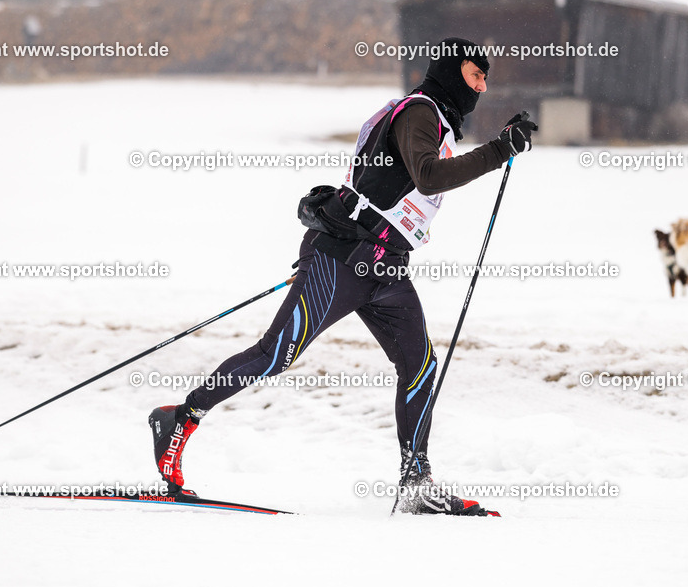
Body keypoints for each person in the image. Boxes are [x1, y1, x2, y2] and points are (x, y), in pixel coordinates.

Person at [149, 37, 537, 515]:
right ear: (452, 72)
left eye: (485, 79)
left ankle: (416, 482)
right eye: (476, 75)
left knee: (420, 367)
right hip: (342, 260)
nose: (481, 87)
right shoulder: (419, 112)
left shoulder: (434, 120)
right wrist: (499, 150)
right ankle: (179, 419)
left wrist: (501, 145)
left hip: (387, 268)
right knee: (274, 356)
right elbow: (429, 176)